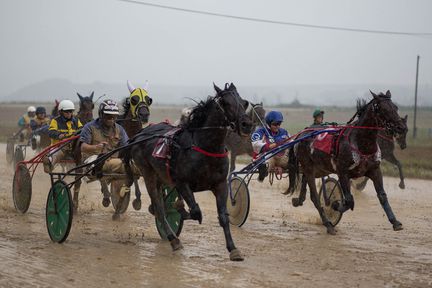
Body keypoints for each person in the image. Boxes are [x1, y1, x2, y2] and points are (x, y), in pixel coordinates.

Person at [79, 99, 131, 203]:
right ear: (101, 114)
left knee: (131, 165)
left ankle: (123, 190)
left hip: (112, 160)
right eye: (108, 116)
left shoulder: (120, 129)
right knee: (105, 162)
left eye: (114, 116)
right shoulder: (89, 127)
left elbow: (126, 146)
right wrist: (95, 147)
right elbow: (83, 147)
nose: (111, 119)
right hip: (92, 161)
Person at [43, 100, 83, 172]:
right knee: (58, 154)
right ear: (61, 112)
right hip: (59, 147)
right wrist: (59, 135)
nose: (69, 113)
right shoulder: (55, 121)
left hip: (74, 148)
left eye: (70, 111)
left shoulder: (76, 121)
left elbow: (82, 130)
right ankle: (50, 163)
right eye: (66, 111)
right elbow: (51, 132)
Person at [251, 111, 290, 182]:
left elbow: (291, 143)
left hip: (281, 157)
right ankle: (262, 175)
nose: (277, 126)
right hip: (266, 157)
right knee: (265, 163)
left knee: (294, 161)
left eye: (279, 124)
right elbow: (256, 145)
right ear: (269, 123)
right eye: (275, 124)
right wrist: (275, 144)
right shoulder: (260, 132)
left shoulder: (284, 132)